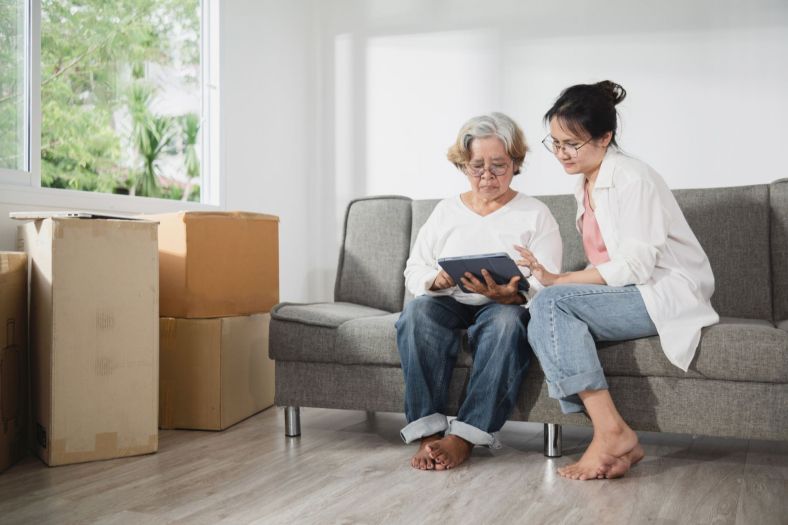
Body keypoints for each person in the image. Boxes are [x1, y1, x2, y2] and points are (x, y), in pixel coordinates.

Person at [518, 81, 719, 480]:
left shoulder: (632, 178)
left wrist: (561, 281)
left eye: (572, 144)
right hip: (628, 292)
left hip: (663, 291)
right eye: (555, 143)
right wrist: (549, 279)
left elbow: (638, 265)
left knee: (550, 303)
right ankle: (614, 436)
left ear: (605, 137)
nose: (562, 154)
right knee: (538, 306)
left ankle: (611, 432)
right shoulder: (585, 182)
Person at [396, 112, 563, 471]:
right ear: (463, 166)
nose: (487, 175)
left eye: (498, 165)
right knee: (416, 313)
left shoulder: (536, 214)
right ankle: (428, 432)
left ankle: (465, 436)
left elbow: (547, 281)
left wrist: (514, 294)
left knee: (506, 323)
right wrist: (435, 281)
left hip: (504, 305)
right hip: (451, 301)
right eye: (477, 166)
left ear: (516, 163)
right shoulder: (445, 211)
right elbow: (415, 270)